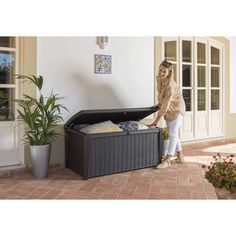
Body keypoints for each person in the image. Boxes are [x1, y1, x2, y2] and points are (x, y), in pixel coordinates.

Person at [148, 60, 186, 169]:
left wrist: (155, 122)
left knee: (172, 134)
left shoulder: (170, 85)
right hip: (169, 108)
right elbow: (162, 96)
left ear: (169, 73)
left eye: (164, 72)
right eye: (160, 70)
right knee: (172, 133)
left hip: (176, 109)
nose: (161, 73)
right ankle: (180, 156)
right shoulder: (159, 80)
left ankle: (168, 160)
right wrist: (157, 105)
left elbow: (166, 104)